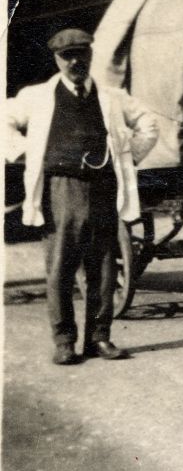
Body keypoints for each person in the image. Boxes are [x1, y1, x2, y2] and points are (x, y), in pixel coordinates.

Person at [6, 29, 159, 365]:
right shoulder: (36, 97)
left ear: (91, 55)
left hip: (104, 188)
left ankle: (99, 338)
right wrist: (23, 153)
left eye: (81, 54)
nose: (76, 61)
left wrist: (130, 155)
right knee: (60, 266)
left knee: (103, 267)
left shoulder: (112, 97)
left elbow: (148, 122)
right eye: (67, 56)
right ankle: (64, 341)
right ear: (57, 59)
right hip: (61, 189)